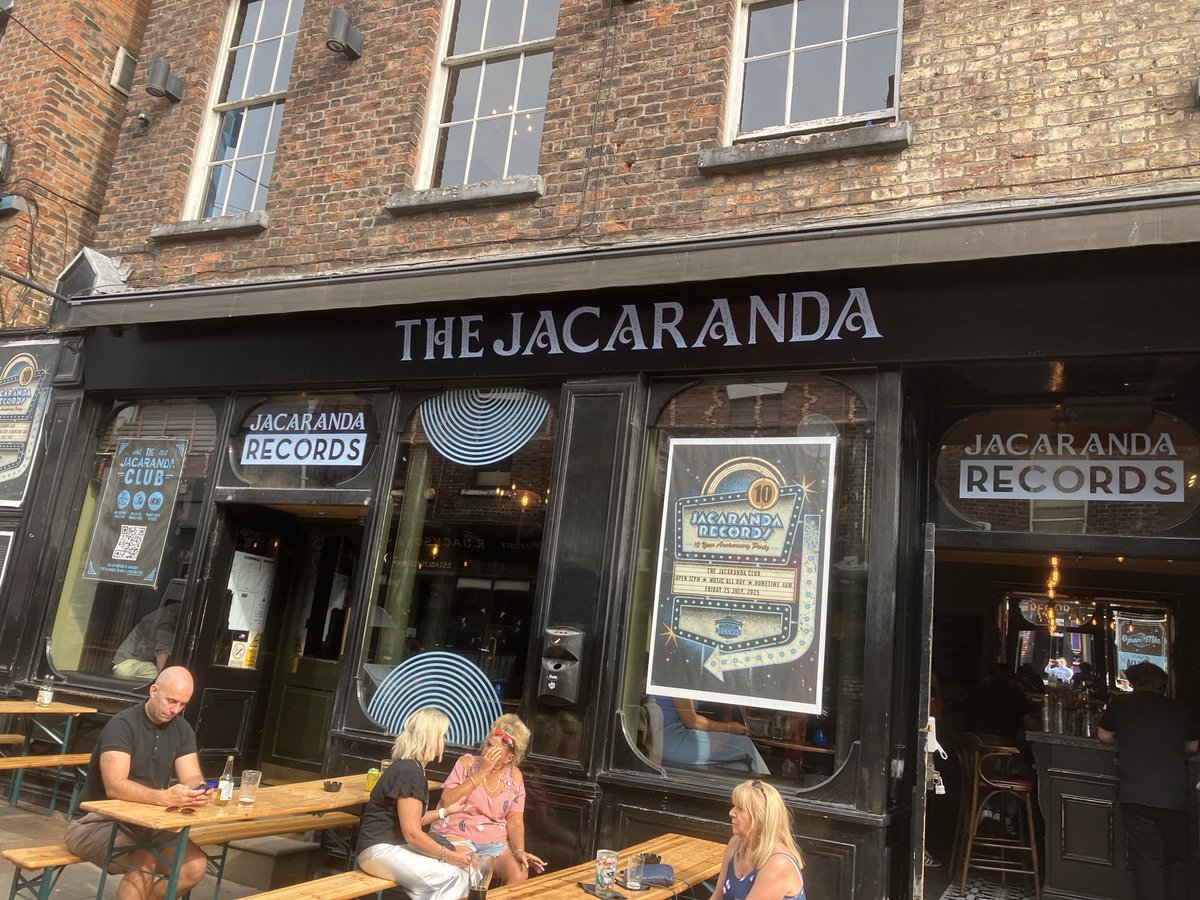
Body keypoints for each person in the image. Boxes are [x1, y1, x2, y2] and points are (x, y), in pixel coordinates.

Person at [65, 667, 211, 900]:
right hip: (93, 822)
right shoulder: (122, 725)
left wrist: (199, 789)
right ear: (153, 690)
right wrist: (164, 797)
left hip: (145, 824)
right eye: (171, 701)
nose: (175, 710)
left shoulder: (182, 729)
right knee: (144, 857)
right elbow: (115, 786)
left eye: (182, 704)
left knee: (194, 866)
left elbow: (191, 775)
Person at [1098, 662, 1199, 900]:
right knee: (1177, 861)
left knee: (1148, 863)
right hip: (1174, 796)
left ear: (1133, 684)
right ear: (1164, 686)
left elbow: (1104, 735)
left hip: (1137, 794)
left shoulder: (1121, 705)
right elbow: (1193, 745)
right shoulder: (1179, 708)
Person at [356, 707, 473, 900]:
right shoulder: (411, 772)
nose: (445, 740)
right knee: (453, 875)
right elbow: (412, 834)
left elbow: (413, 820)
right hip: (379, 850)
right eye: (442, 735)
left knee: (458, 874)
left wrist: (446, 812)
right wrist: (448, 855)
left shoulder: (410, 767)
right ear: (430, 737)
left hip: (389, 847)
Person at [432, 714, 546, 883]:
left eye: (493, 748)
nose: (486, 750)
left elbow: (514, 820)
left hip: (493, 841)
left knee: (520, 870)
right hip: (457, 834)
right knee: (468, 869)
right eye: (488, 744)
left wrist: (519, 851)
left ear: (509, 758)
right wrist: (481, 773)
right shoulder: (466, 763)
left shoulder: (514, 776)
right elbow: (446, 801)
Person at [711, 779, 805, 900]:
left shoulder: (778, 863)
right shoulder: (735, 844)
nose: (731, 812)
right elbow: (717, 897)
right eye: (734, 806)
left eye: (740, 808)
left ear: (761, 819)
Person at [655, 697, 769, 774]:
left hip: (667, 736)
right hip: (670, 736)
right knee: (745, 746)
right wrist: (729, 728)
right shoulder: (676, 675)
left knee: (741, 768)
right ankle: (771, 802)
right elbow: (692, 721)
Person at [111, 578, 185, 680]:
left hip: (139, 662)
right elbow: (162, 653)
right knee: (162, 680)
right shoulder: (169, 617)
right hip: (128, 663)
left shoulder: (169, 614)